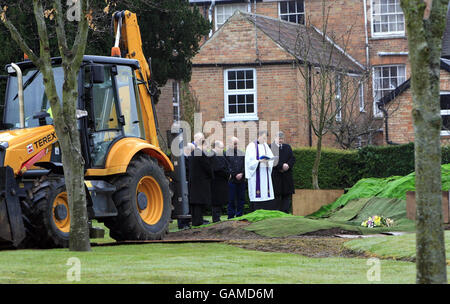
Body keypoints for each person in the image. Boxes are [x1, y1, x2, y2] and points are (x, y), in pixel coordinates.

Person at [245, 130, 276, 210]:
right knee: (257, 195)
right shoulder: (251, 146)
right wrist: (258, 161)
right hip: (256, 175)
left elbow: (271, 158)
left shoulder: (265, 146)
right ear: (259, 136)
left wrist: (268, 161)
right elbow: (249, 162)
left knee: (266, 193)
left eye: (266, 138)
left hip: (265, 174)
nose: (264, 140)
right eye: (263, 138)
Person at [188, 135, 214, 226]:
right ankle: (198, 221)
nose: (207, 149)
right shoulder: (201, 154)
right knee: (199, 202)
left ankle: (195, 220)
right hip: (201, 182)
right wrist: (211, 175)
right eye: (206, 146)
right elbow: (208, 168)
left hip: (193, 181)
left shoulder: (192, 153)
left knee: (195, 203)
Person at [270, 131, 296, 213]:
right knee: (276, 195)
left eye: (282, 138)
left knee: (287, 195)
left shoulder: (287, 147)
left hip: (286, 175)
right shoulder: (271, 147)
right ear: (275, 138)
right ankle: (276, 213)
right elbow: (271, 160)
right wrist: (281, 166)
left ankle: (285, 213)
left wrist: (288, 165)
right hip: (276, 175)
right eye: (279, 138)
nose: (280, 140)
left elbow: (292, 158)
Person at [225, 136, 246, 219]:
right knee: (231, 199)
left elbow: (245, 165)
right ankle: (231, 216)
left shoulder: (242, 153)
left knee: (241, 199)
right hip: (232, 180)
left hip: (241, 180)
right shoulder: (226, 154)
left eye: (237, 144)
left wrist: (242, 173)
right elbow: (227, 166)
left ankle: (240, 215)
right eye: (234, 144)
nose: (236, 145)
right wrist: (234, 174)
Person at [210, 140, 230, 223]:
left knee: (220, 201)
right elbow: (218, 169)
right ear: (216, 147)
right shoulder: (212, 155)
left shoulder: (219, 155)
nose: (223, 149)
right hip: (216, 182)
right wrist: (227, 174)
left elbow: (226, 165)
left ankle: (218, 217)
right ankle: (216, 218)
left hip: (221, 182)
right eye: (221, 148)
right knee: (216, 201)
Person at [177, 142, 195, 230]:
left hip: (188, 182)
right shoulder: (182, 159)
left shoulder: (186, 158)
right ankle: (182, 223)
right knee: (183, 203)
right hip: (184, 183)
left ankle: (187, 222)